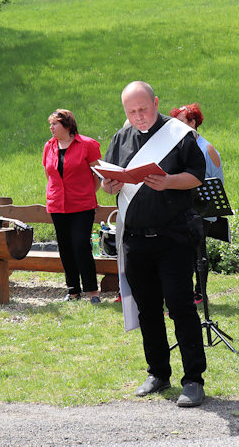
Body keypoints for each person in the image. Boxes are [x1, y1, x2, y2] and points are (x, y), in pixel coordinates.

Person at [101, 81, 207, 407]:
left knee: (180, 308)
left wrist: (169, 182)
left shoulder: (178, 134)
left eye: (143, 109)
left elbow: (198, 175)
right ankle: (158, 372)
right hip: (134, 240)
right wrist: (110, 184)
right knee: (147, 310)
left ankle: (193, 380)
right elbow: (107, 186)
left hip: (173, 237)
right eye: (131, 111)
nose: (138, 116)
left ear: (156, 102)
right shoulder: (121, 137)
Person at [43, 109, 102, 304]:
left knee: (80, 244)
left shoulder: (87, 144)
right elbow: (49, 174)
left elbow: (97, 174)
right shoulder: (49, 147)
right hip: (57, 205)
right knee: (65, 247)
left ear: (67, 125)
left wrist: (87, 193)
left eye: (55, 124)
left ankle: (92, 291)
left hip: (82, 205)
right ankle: (73, 290)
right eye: (50, 124)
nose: (51, 128)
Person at [170, 103, 223, 305]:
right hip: (183, 208)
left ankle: (200, 294)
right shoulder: (181, 146)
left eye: (181, 123)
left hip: (202, 208)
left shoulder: (206, 148)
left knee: (198, 251)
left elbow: (212, 183)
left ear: (193, 123)